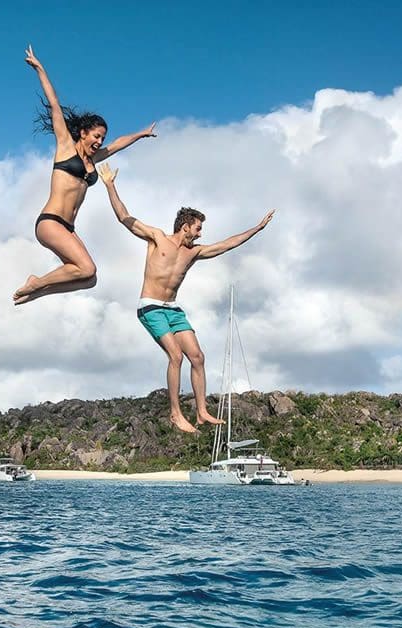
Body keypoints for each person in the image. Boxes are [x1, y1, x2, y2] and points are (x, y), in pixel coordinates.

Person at [98, 164, 275, 433]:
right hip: (150, 308)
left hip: (173, 309)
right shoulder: (157, 238)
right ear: (185, 227)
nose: (201, 233)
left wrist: (257, 229)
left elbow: (227, 244)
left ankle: (202, 412)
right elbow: (124, 217)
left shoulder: (194, 253)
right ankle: (175, 414)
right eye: (198, 228)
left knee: (198, 356)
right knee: (176, 356)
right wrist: (110, 184)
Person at [13, 45, 156, 305]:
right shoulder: (66, 147)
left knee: (90, 278)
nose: (100, 142)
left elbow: (118, 144)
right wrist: (40, 69)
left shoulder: (93, 159)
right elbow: (55, 106)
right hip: (51, 222)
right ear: (83, 133)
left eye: (102, 138)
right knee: (86, 268)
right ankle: (37, 282)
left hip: (68, 227)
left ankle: (39, 290)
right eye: (96, 136)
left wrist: (140, 135)